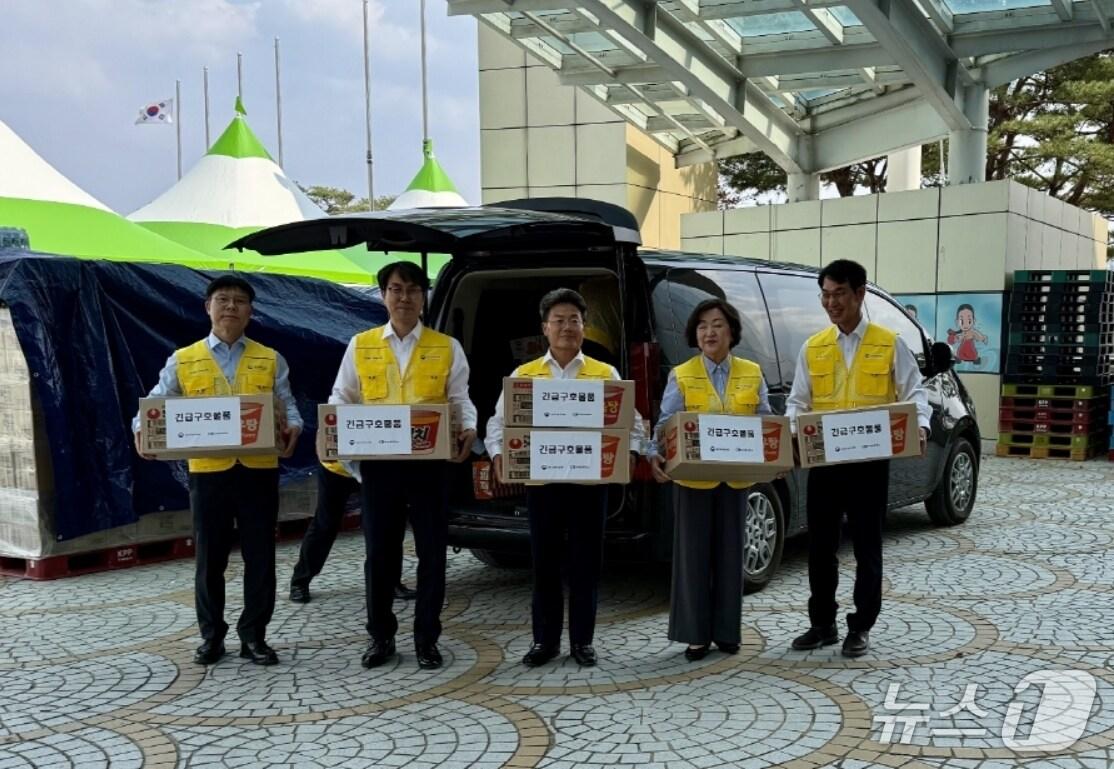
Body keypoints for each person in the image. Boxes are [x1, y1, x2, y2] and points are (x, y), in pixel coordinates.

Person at [133, 274, 302, 667]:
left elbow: (287, 405)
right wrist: (142, 430)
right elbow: (156, 403)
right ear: (207, 307)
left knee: (260, 558)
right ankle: (212, 637)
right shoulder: (184, 359)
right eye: (222, 299)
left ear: (251, 312)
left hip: (258, 470)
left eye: (239, 301)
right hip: (208, 472)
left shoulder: (270, 358)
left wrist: (293, 426)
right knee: (210, 558)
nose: (230, 307)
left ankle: (254, 637)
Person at [485, 288, 646, 668]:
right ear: (545, 328)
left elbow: (633, 423)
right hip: (542, 485)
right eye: (559, 320)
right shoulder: (525, 375)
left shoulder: (604, 373)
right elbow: (497, 423)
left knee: (585, 563)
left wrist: (630, 453)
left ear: (584, 327)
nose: (567, 327)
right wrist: (497, 455)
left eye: (574, 320)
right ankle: (545, 642)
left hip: (590, 486)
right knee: (544, 564)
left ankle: (582, 642)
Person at [329, 261, 477, 671]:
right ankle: (381, 637)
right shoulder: (360, 345)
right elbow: (342, 399)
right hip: (380, 466)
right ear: (383, 295)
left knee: (432, 553)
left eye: (413, 289)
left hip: (430, 466)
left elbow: (460, 397)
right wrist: (344, 448)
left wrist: (467, 428)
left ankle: (427, 638)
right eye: (396, 289)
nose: (405, 297)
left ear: (424, 296)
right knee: (379, 554)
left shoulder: (446, 346)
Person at [785, 259, 930, 658]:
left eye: (839, 294)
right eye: (826, 295)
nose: (831, 303)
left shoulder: (888, 343)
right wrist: (794, 434)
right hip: (825, 464)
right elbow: (798, 402)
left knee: (867, 546)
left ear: (860, 294)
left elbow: (914, 393)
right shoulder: (813, 348)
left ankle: (861, 626)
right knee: (820, 546)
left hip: (869, 464)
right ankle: (822, 623)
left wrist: (919, 425)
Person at [649, 299, 772, 661]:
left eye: (717, 324)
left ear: (731, 331)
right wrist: (656, 450)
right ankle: (696, 634)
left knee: (731, 555)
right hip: (693, 480)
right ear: (694, 334)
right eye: (702, 326)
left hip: (735, 479)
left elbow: (766, 420)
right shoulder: (682, 374)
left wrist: (778, 452)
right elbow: (664, 423)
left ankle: (726, 632)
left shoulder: (752, 372)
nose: (709, 332)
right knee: (693, 556)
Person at [287, 460, 417, 604]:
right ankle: (300, 581)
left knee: (386, 524)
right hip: (337, 466)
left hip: (375, 466)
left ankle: (391, 583)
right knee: (325, 524)